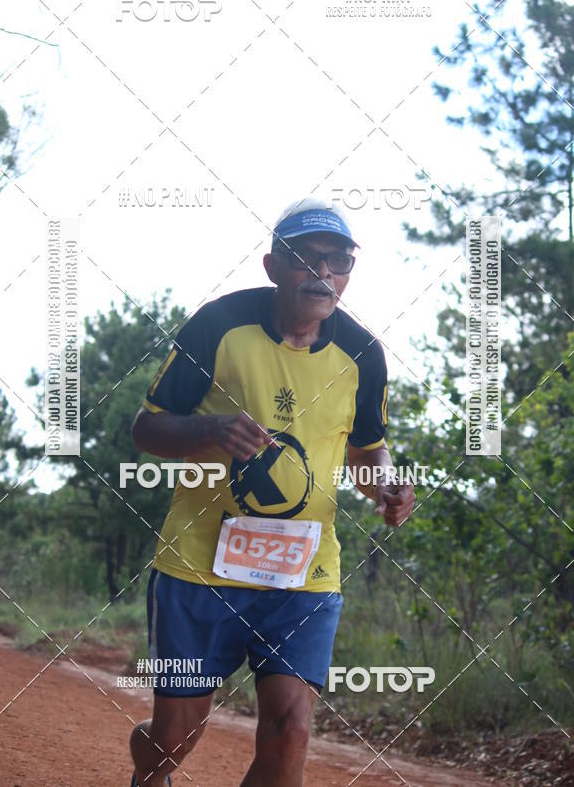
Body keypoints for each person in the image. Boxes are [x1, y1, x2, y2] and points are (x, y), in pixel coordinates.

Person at [128, 198, 415, 786]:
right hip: (199, 567)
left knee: (290, 731)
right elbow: (146, 426)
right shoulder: (217, 326)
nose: (323, 275)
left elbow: (366, 450)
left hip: (302, 572)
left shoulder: (362, 354)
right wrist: (209, 428)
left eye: (338, 262)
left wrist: (383, 483)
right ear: (272, 266)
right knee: (176, 735)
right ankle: (150, 770)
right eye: (307, 260)